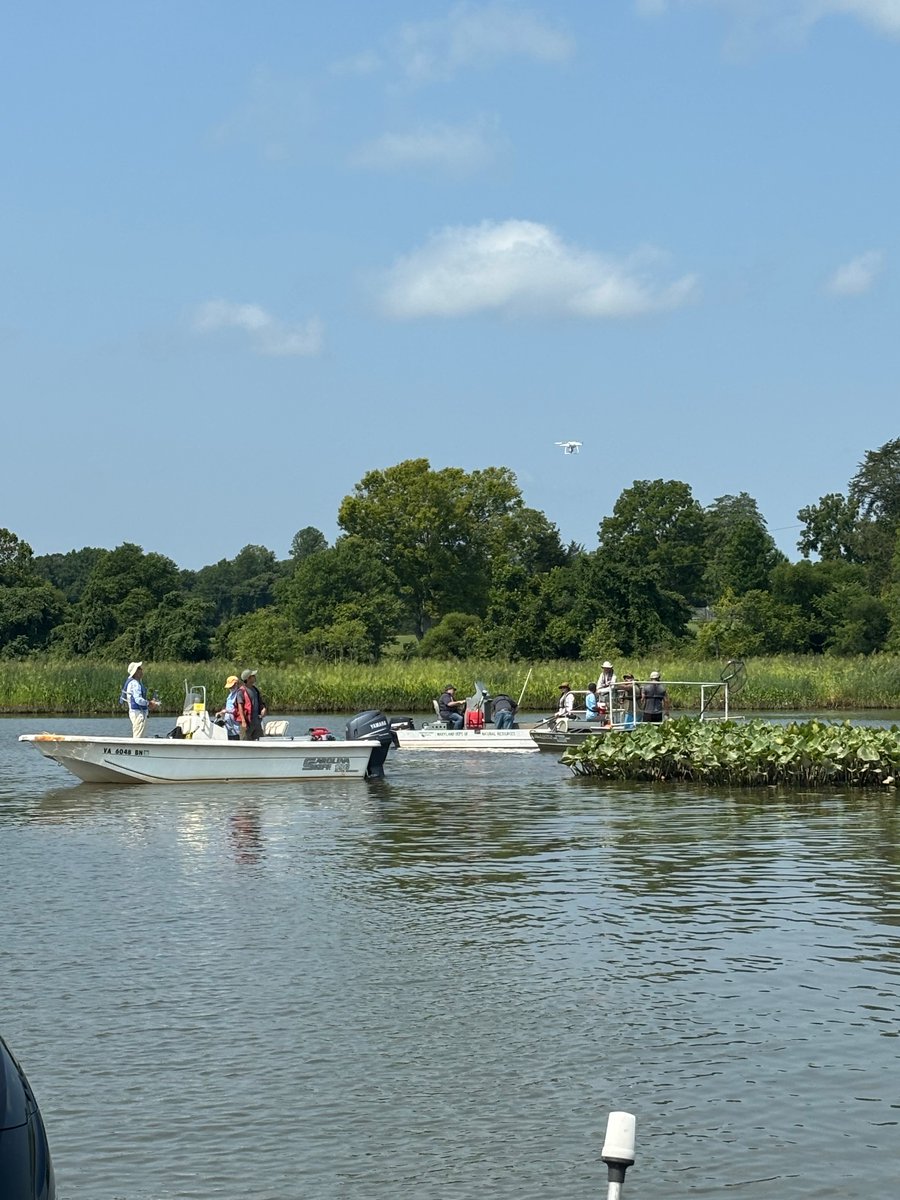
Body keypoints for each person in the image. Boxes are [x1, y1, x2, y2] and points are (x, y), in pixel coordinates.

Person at [124, 661, 159, 739]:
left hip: (136, 713)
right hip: (138, 714)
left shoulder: (135, 683)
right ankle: (136, 750)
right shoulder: (135, 684)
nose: (141, 669)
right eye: (139, 668)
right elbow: (138, 700)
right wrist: (149, 703)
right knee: (138, 737)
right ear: (136, 672)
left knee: (139, 735)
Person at [236, 669, 266, 740]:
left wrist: (264, 709)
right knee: (245, 742)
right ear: (248, 678)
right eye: (253, 676)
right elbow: (240, 707)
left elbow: (261, 703)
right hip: (247, 723)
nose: (255, 677)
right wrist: (243, 721)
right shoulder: (241, 691)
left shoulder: (255, 690)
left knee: (260, 742)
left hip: (257, 722)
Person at [216, 675, 241, 739]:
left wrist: (227, 711)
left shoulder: (239, 694)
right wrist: (221, 713)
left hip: (236, 727)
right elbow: (228, 707)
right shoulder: (230, 696)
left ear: (236, 684)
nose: (230, 688)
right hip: (228, 727)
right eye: (229, 687)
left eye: (232, 686)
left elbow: (239, 710)